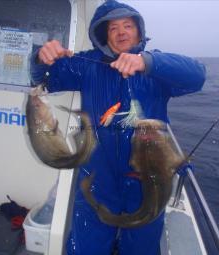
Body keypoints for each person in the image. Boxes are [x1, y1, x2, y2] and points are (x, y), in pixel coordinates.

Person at [30, 0, 206, 254]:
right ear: (104, 35)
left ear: (138, 32)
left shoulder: (156, 67)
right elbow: (42, 78)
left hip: (148, 180)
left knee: (141, 248)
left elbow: (198, 76)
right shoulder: (87, 64)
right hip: (97, 179)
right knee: (87, 247)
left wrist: (147, 62)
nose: (121, 32)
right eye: (113, 28)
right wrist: (40, 57)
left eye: (127, 25)